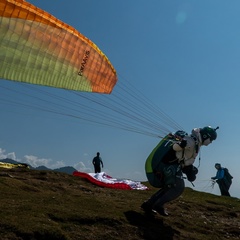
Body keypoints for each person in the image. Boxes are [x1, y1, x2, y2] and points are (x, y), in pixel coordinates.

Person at [141, 126, 218, 216]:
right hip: (166, 166)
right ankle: (157, 205)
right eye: (211, 140)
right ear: (205, 136)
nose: (211, 142)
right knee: (177, 187)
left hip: (171, 165)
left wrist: (190, 170)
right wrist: (180, 145)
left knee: (170, 187)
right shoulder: (191, 141)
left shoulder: (196, 142)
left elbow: (183, 158)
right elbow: (176, 147)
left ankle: (149, 205)